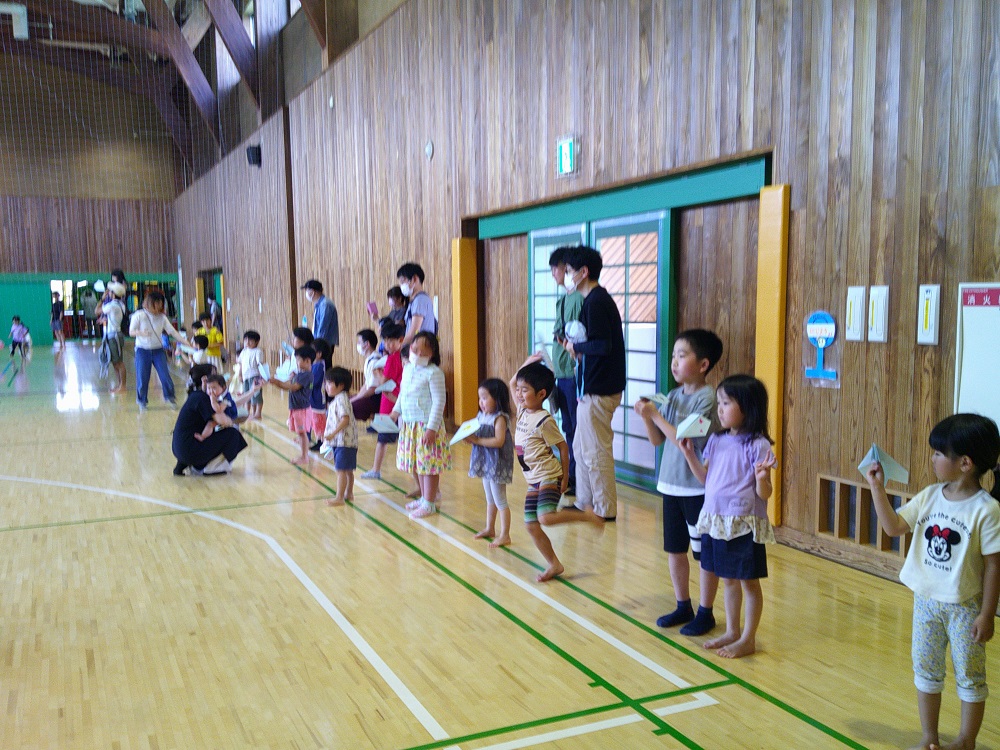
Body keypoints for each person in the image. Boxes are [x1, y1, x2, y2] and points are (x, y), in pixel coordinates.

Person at [865, 414, 1000, 750]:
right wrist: (877, 488)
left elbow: (995, 564)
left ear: (965, 463)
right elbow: (894, 527)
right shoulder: (929, 495)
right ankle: (929, 738)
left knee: (970, 676)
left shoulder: (987, 509)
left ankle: (966, 740)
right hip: (925, 602)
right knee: (926, 671)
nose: (933, 459)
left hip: (965, 607)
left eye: (940, 454)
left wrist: (987, 613)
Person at [678, 374, 776, 659]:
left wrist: (761, 478)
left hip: (742, 524)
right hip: (716, 520)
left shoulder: (757, 445)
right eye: (719, 403)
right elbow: (706, 480)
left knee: (748, 582)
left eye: (726, 403)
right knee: (729, 579)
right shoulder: (717, 440)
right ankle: (733, 631)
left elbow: (765, 493)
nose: (719, 409)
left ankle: (748, 638)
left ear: (747, 407)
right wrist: (689, 455)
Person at [635, 329, 724, 636]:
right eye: (673, 355)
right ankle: (682, 604)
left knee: (703, 553)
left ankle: (706, 611)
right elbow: (658, 441)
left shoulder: (708, 398)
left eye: (682, 355)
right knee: (675, 549)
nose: (674, 362)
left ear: (703, 364)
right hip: (670, 484)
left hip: (696, 487)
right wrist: (648, 418)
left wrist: (657, 416)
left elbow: (685, 438)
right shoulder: (672, 396)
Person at [510, 359, 605, 582]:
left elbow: (563, 447)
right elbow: (512, 380)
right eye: (519, 391)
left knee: (545, 517)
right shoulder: (523, 411)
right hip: (533, 478)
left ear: (541, 394)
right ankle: (554, 564)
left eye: (525, 390)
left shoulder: (544, 420)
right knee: (531, 525)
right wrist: (528, 362)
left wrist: (564, 478)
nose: (520, 394)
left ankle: (585, 516)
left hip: (548, 475)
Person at [563, 246, 626, 521]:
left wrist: (577, 347)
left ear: (583, 272)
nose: (566, 276)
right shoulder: (592, 301)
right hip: (589, 389)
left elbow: (603, 344)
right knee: (580, 447)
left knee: (596, 451)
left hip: (600, 389)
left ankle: (604, 509)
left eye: (568, 271)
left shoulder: (597, 301)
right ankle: (585, 502)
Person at [391, 331, 451, 519]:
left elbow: (439, 401)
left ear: (431, 353)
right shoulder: (408, 369)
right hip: (410, 425)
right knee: (417, 463)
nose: (416, 353)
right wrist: (395, 411)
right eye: (413, 349)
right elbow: (403, 393)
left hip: (426, 426)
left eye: (421, 351)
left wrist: (432, 428)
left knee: (428, 465)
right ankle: (425, 497)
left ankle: (429, 503)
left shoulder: (434, 373)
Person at [549, 247, 585, 496]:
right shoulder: (562, 299)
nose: (554, 273)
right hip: (560, 371)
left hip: (573, 372)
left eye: (557, 268)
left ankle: (578, 478)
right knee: (568, 427)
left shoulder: (580, 299)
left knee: (577, 428)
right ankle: (571, 476)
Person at [465, 378, 515, 548]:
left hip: (497, 463)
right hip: (486, 461)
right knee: (489, 498)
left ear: (497, 398)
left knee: (500, 499)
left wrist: (477, 440)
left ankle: (505, 534)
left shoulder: (500, 418)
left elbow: (499, 441)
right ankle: (490, 528)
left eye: (485, 398)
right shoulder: (482, 415)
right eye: (480, 398)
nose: (481, 402)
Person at [172, 364, 248, 476]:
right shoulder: (203, 399)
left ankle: (183, 465)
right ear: (206, 379)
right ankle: (210, 469)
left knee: (207, 429)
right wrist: (231, 421)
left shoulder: (196, 395)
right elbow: (223, 420)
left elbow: (232, 404)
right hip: (189, 450)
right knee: (233, 434)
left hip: (179, 448)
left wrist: (252, 391)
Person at [129, 289, 188, 411]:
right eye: (157, 304)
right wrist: (141, 333)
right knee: (142, 377)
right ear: (150, 303)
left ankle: (170, 397)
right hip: (142, 350)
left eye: (161, 304)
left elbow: (172, 332)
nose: (159, 307)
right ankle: (142, 401)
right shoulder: (139, 315)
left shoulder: (162, 317)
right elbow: (131, 332)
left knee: (165, 375)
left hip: (158, 350)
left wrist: (186, 343)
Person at [361, 323, 405, 481]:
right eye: (385, 341)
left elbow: (383, 381)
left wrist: (377, 372)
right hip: (394, 403)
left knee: (383, 439)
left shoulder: (394, 358)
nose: (387, 345)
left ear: (401, 340)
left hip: (390, 404)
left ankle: (376, 469)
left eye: (391, 341)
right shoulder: (400, 357)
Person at [269, 345, 314, 465]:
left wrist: (277, 383)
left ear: (307, 361)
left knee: (302, 433)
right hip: (296, 407)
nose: (296, 362)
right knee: (300, 433)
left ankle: (305, 457)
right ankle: (303, 455)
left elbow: (293, 387)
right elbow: (291, 382)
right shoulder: (300, 374)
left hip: (301, 409)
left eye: (298, 360)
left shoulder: (306, 375)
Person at [322, 367, 359, 506]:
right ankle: (348, 493)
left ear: (341, 385)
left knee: (341, 470)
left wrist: (332, 434)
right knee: (347, 470)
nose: (326, 386)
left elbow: (345, 419)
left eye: (330, 383)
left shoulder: (342, 400)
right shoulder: (339, 399)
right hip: (345, 442)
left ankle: (339, 497)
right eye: (326, 383)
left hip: (344, 441)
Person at [396, 263, 437, 347]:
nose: (401, 286)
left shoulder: (420, 300)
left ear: (414, 279)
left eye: (403, 281)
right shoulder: (414, 301)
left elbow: (414, 331)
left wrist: (398, 348)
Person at [100, 282, 128, 393]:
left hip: (114, 335)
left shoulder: (112, 305)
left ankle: (123, 386)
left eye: (110, 291)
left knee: (119, 362)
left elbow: (97, 311)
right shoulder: (120, 304)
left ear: (113, 293)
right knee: (115, 362)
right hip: (114, 334)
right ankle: (120, 385)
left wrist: (102, 299)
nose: (108, 293)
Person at [351, 329, 382, 421]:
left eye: (359, 342)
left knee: (352, 406)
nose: (358, 345)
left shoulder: (375, 361)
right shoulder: (369, 359)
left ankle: (377, 419)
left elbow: (372, 389)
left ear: (367, 344)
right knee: (346, 400)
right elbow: (366, 384)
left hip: (377, 398)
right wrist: (356, 396)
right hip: (372, 395)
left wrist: (355, 400)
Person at [302, 279, 339, 352]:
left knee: (324, 363)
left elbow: (323, 327)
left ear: (312, 292)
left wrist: (317, 344)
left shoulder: (325, 305)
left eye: (307, 290)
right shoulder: (319, 304)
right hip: (321, 342)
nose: (306, 293)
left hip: (324, 344)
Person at [308, 340, 332, 451]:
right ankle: (319, 439)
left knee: (319, 419)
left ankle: (322, 441)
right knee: (315, 419)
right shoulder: (315, 365)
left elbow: (315, 382)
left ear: (319, 354)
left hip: (318, 397)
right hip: (313, 396)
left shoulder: (319, 366)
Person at [237, 330, 265, 421]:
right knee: (247, 395)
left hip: (255, 376)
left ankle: (257, 413)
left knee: (256, 396)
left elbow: (260, 365)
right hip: (246, 376)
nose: (247, 342)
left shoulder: (258, 351)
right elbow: (240, 364)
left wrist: (261, 377)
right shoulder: (244, 352)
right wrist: (240, 374)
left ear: (256, 342)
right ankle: (247, 412)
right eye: (245, 340)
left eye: (250, 340)